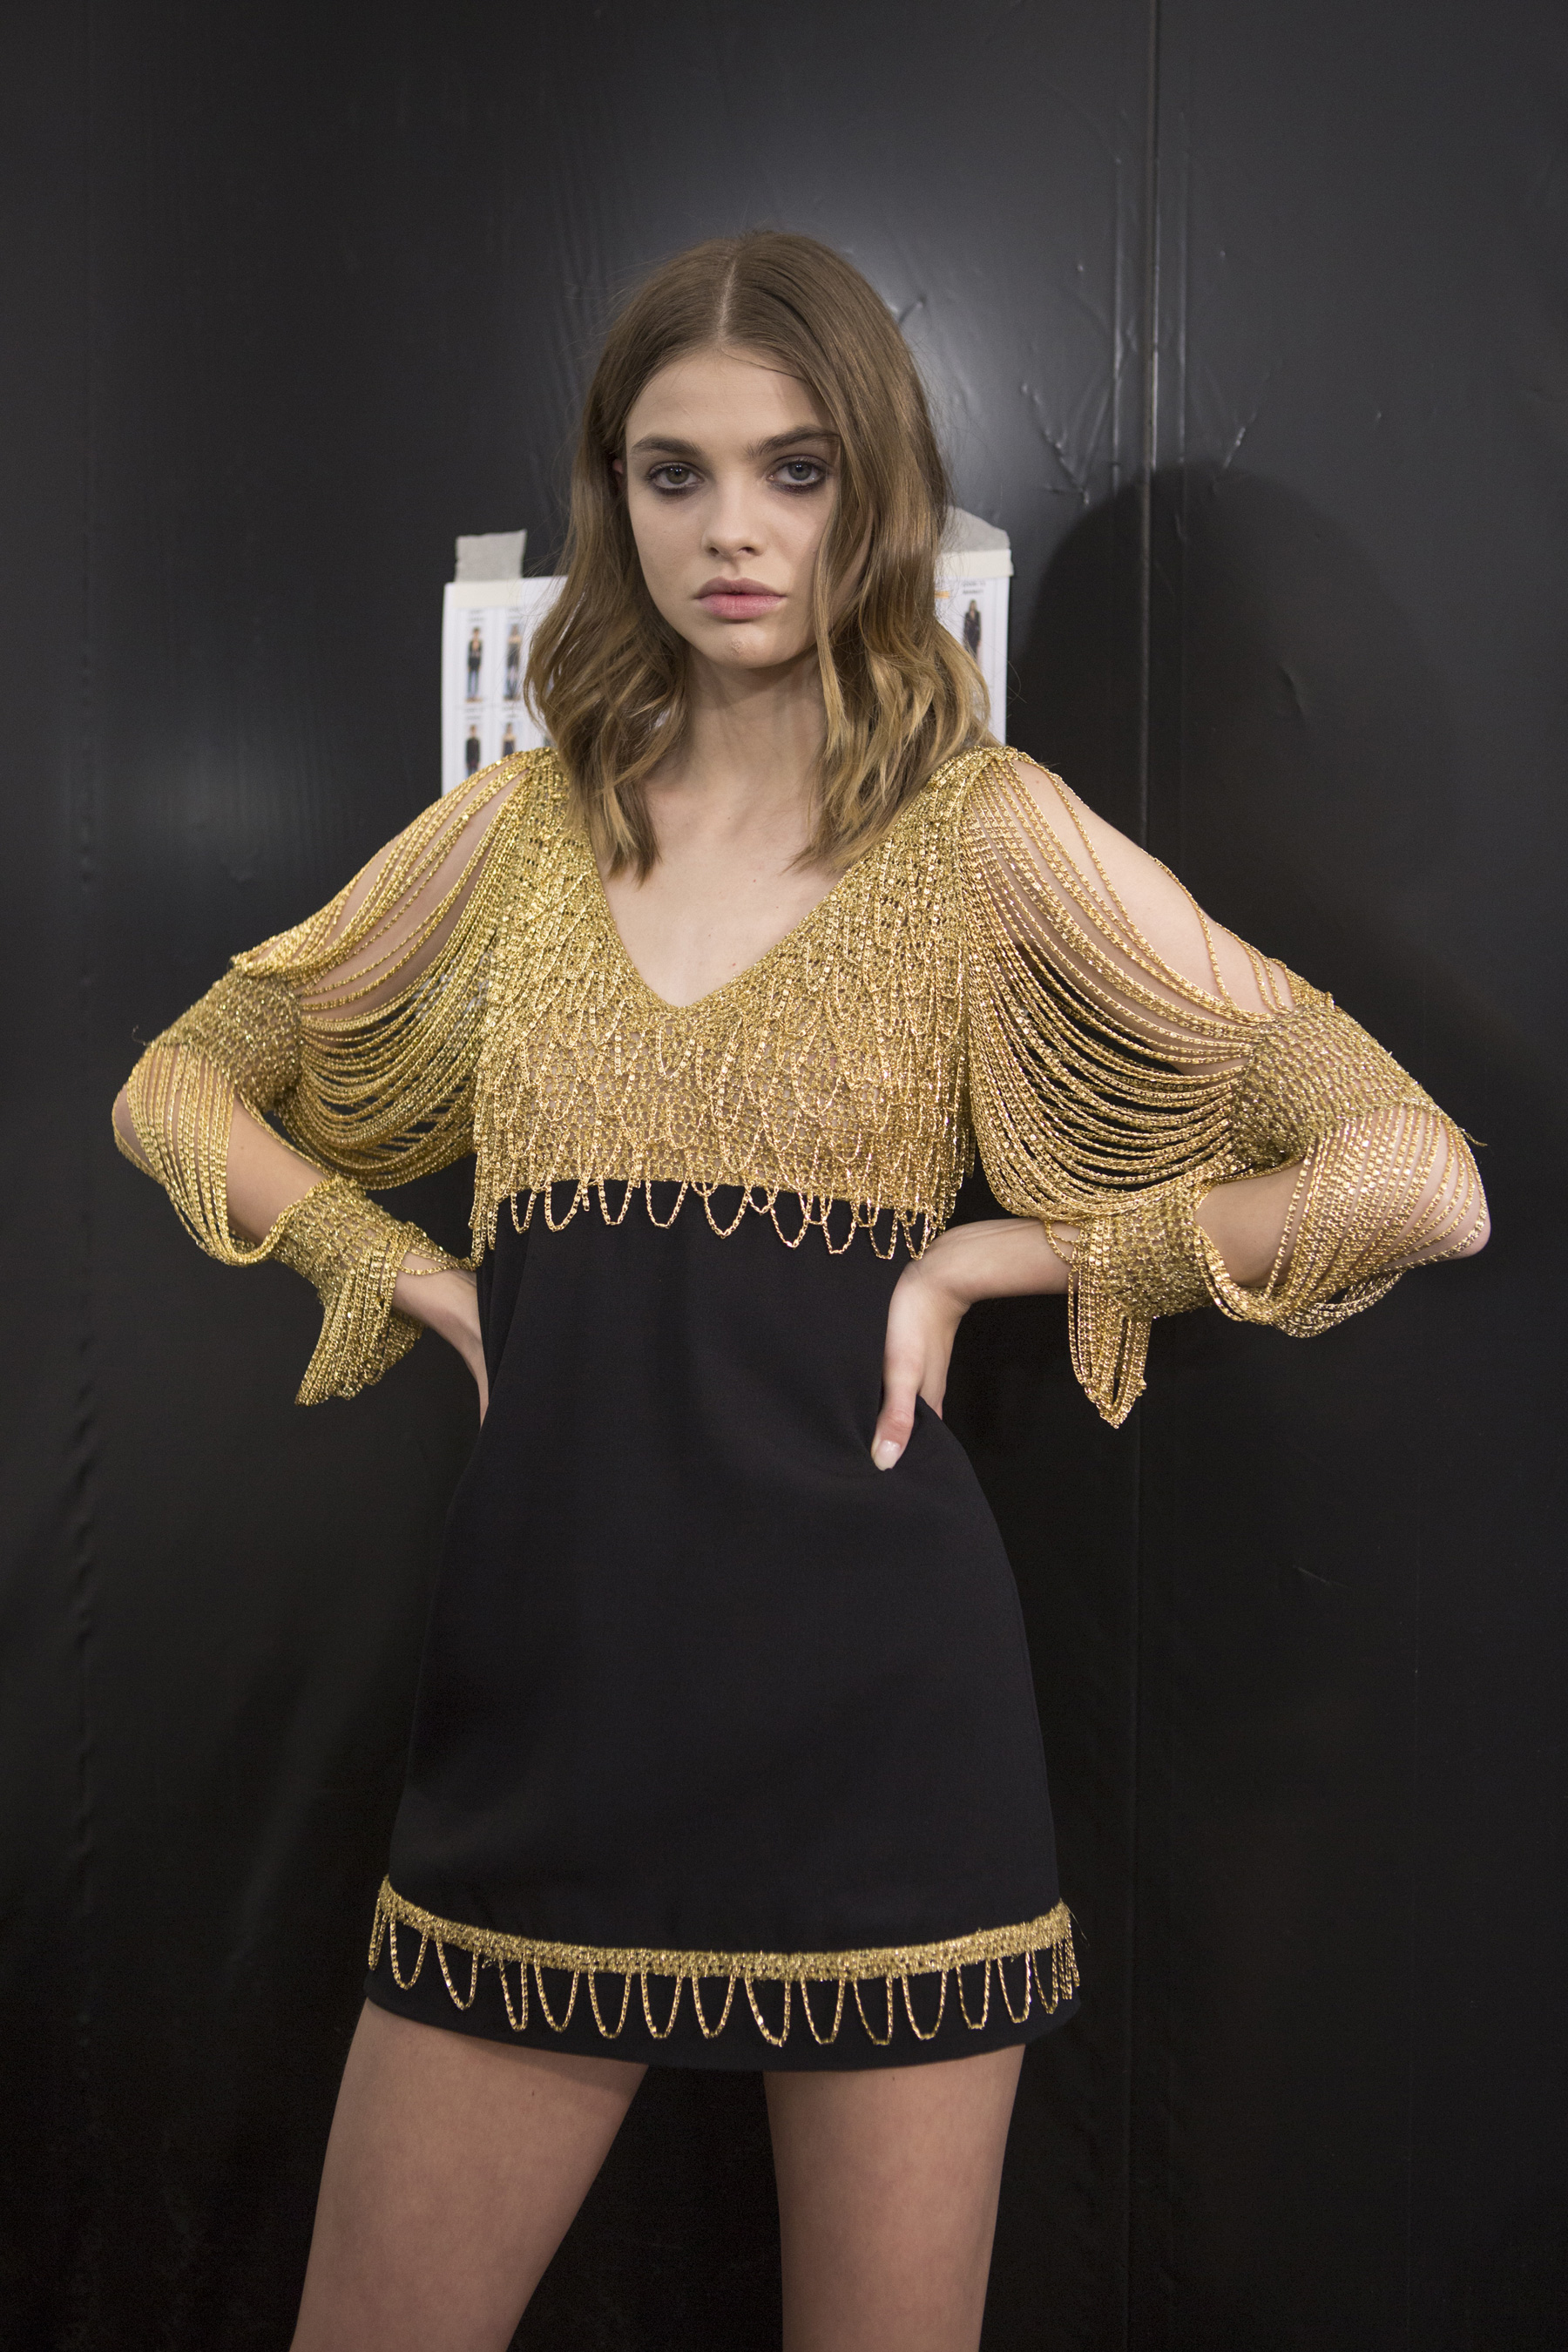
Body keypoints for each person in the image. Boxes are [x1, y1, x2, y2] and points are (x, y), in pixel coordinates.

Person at [112, 232, 1487, 2352]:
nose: (733, 530)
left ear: (879, 494)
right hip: (541, 1724)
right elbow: (176, 1083)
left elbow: (1419, 1176)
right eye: (675, 474)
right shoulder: (515, 840)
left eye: (797, 469)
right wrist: (396, 1269)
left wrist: (1018, 1254)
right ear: (616, 496)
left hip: (879, 1733)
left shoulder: (985, 837)